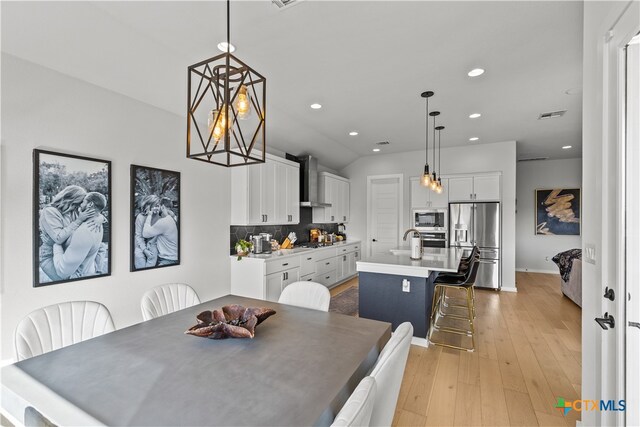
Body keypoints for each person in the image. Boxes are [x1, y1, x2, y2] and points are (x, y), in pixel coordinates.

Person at [38, 185, 101, 282]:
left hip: (69, 253)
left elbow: (94, 212)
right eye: (78, 203)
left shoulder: (73, 210)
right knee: (69, 284)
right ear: (70, 200)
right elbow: (58, 238)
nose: (80, 206)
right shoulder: (50, 212)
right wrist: (79, 220)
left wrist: (99, 219)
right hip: (50, 256)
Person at [51, 192, 107, 279]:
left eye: (83, 202)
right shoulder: (96, 223)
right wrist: (101, 218)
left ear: (90, 204)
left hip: (77, 278)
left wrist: (56, 245)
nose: (80, 205)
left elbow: (63, 271)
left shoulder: (86, 231)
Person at [142, 197, 178, 266]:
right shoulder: (172, 218)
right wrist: (151, 241)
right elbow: (164, 234)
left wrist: (149, 215)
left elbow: (145, 233)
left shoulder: (164, 221)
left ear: (162, 207)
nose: (157, 208)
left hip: (168, 260)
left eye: (158, 206)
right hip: (174, 258)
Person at [133, 195, 159, 269]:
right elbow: (138, 236)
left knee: (152, 254)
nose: (157, 208)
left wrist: (150, 243)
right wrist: (144, 250)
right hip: (140, 244)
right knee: (138, 255)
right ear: (148, 205)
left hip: (152, 243)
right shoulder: (140, 217)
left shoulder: (158, 216)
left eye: (158, 205)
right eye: (155, 205)